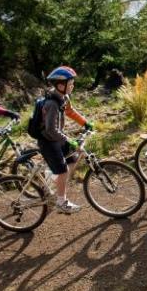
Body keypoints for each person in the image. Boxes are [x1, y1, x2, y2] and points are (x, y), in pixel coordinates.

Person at [37, 66, 92, 214]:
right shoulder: (52, 104)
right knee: (63, 170)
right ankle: (61, 202)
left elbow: (70, 111)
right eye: (71, 83)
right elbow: (50, 130)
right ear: (61, 85)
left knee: (73, 158)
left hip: (57, 137)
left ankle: (55, 180)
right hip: (48, 141)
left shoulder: (63, 97)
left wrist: (85, 122)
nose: (73, 85)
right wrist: (68, 140)